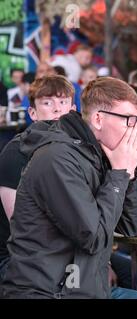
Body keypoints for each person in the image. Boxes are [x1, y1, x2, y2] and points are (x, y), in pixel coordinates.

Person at [0, 77, 137, 298]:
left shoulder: (99, 154)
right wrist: (119, 173)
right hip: (49, 292)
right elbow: (93, 236)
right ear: (98, 119)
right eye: (129, 119)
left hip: (86, 288)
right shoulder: (56, 158)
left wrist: (130, 172)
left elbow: (130, 227)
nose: (134, 129)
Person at [0, 75, 76, 283]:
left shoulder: (77, 150)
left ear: (74, 110)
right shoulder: (16, 153)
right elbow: (22, 229)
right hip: (19, 259)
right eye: (47, 102)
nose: (56, 109)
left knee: (128, 270)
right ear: (32, 113)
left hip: (67, 253)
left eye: (63, 102)